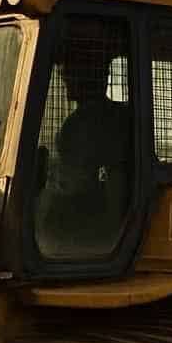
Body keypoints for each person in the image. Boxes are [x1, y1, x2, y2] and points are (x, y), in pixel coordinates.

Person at [36, 19, 134, 259]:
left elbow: (76, 184)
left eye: (69, 72)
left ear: (86, 74)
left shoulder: (83, 124)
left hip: (96, 227)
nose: (65, 78)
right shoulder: (120, 114)